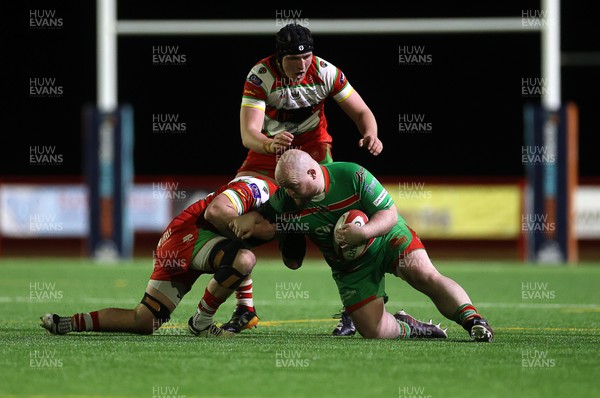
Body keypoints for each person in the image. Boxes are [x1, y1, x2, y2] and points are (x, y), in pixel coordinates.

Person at [229, 149, 494, 341]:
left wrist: (364, 232)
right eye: (285, 188)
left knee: (423, 273)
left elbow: (389, 214)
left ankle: (473, 320)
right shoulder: (287, 200)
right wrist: (241, 220)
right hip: (350, 265)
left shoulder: (351, 174)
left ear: (312, 172)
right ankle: (411, 327)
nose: (289, 193)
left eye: (293, 186)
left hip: (385, 236)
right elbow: (262, 218)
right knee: (374, 331)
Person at [235, 22, 383, 336]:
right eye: (294, 59)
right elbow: (249, 133)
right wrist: (269, 144)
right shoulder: (260, 76)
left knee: (342, 229)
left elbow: (362, 112)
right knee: (234, 216)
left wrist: (371, 134)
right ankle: (244, 307)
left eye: (307, 57)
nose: (302, 65)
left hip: (314, 157)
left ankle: (353, 310)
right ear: (279, 57)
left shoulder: (326, 72)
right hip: (266, 153)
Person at [40, 175, 278, 337]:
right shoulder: (261, 189)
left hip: (185, 241)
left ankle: (69, 322)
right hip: (191, 236)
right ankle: (201, 323)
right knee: (242, 258)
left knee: (144, 320)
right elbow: (215, 212)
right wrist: (246, 227)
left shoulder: (283, 200)